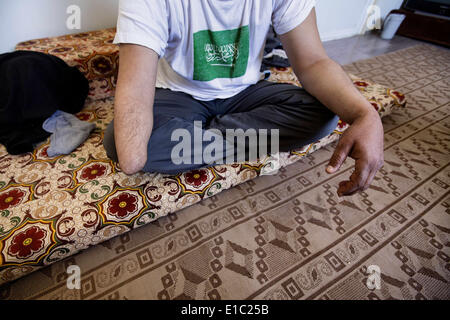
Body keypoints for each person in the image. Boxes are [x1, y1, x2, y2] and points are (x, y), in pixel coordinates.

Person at [103, 0, 384, 197]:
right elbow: (135, 91)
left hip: (245, 93)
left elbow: (313, 63)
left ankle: (203, 137)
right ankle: (237, 137)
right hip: (179, 93)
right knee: (128, 143)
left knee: (323, 115)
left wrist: (365, 114)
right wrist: (133, 148)